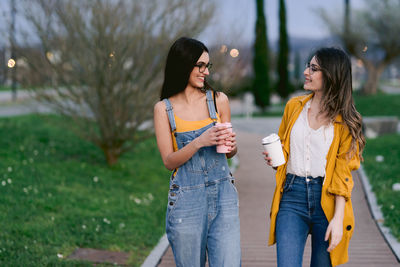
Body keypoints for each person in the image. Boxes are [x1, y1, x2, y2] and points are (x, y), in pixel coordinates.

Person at [263, 47, 365, 267]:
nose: (306, 72)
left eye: (313, 68)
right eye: (308, 66)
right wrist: (274, 160)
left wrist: (338, 219)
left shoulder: (346, 121)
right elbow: (283, 152)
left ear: (331, 75)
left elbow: (342, 175)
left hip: (327, 200)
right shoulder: (293, 107)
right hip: (292, 196)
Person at [154, 37, 241, 267]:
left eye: (207, 66)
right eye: (200, 65)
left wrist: (232, 146)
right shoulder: (164, 109)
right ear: (183, 65)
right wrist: (199, 142)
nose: (206, 72)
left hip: (223, 196)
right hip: (186, 201)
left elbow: (230, 153)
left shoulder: (219, 100)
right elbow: (169, 161)